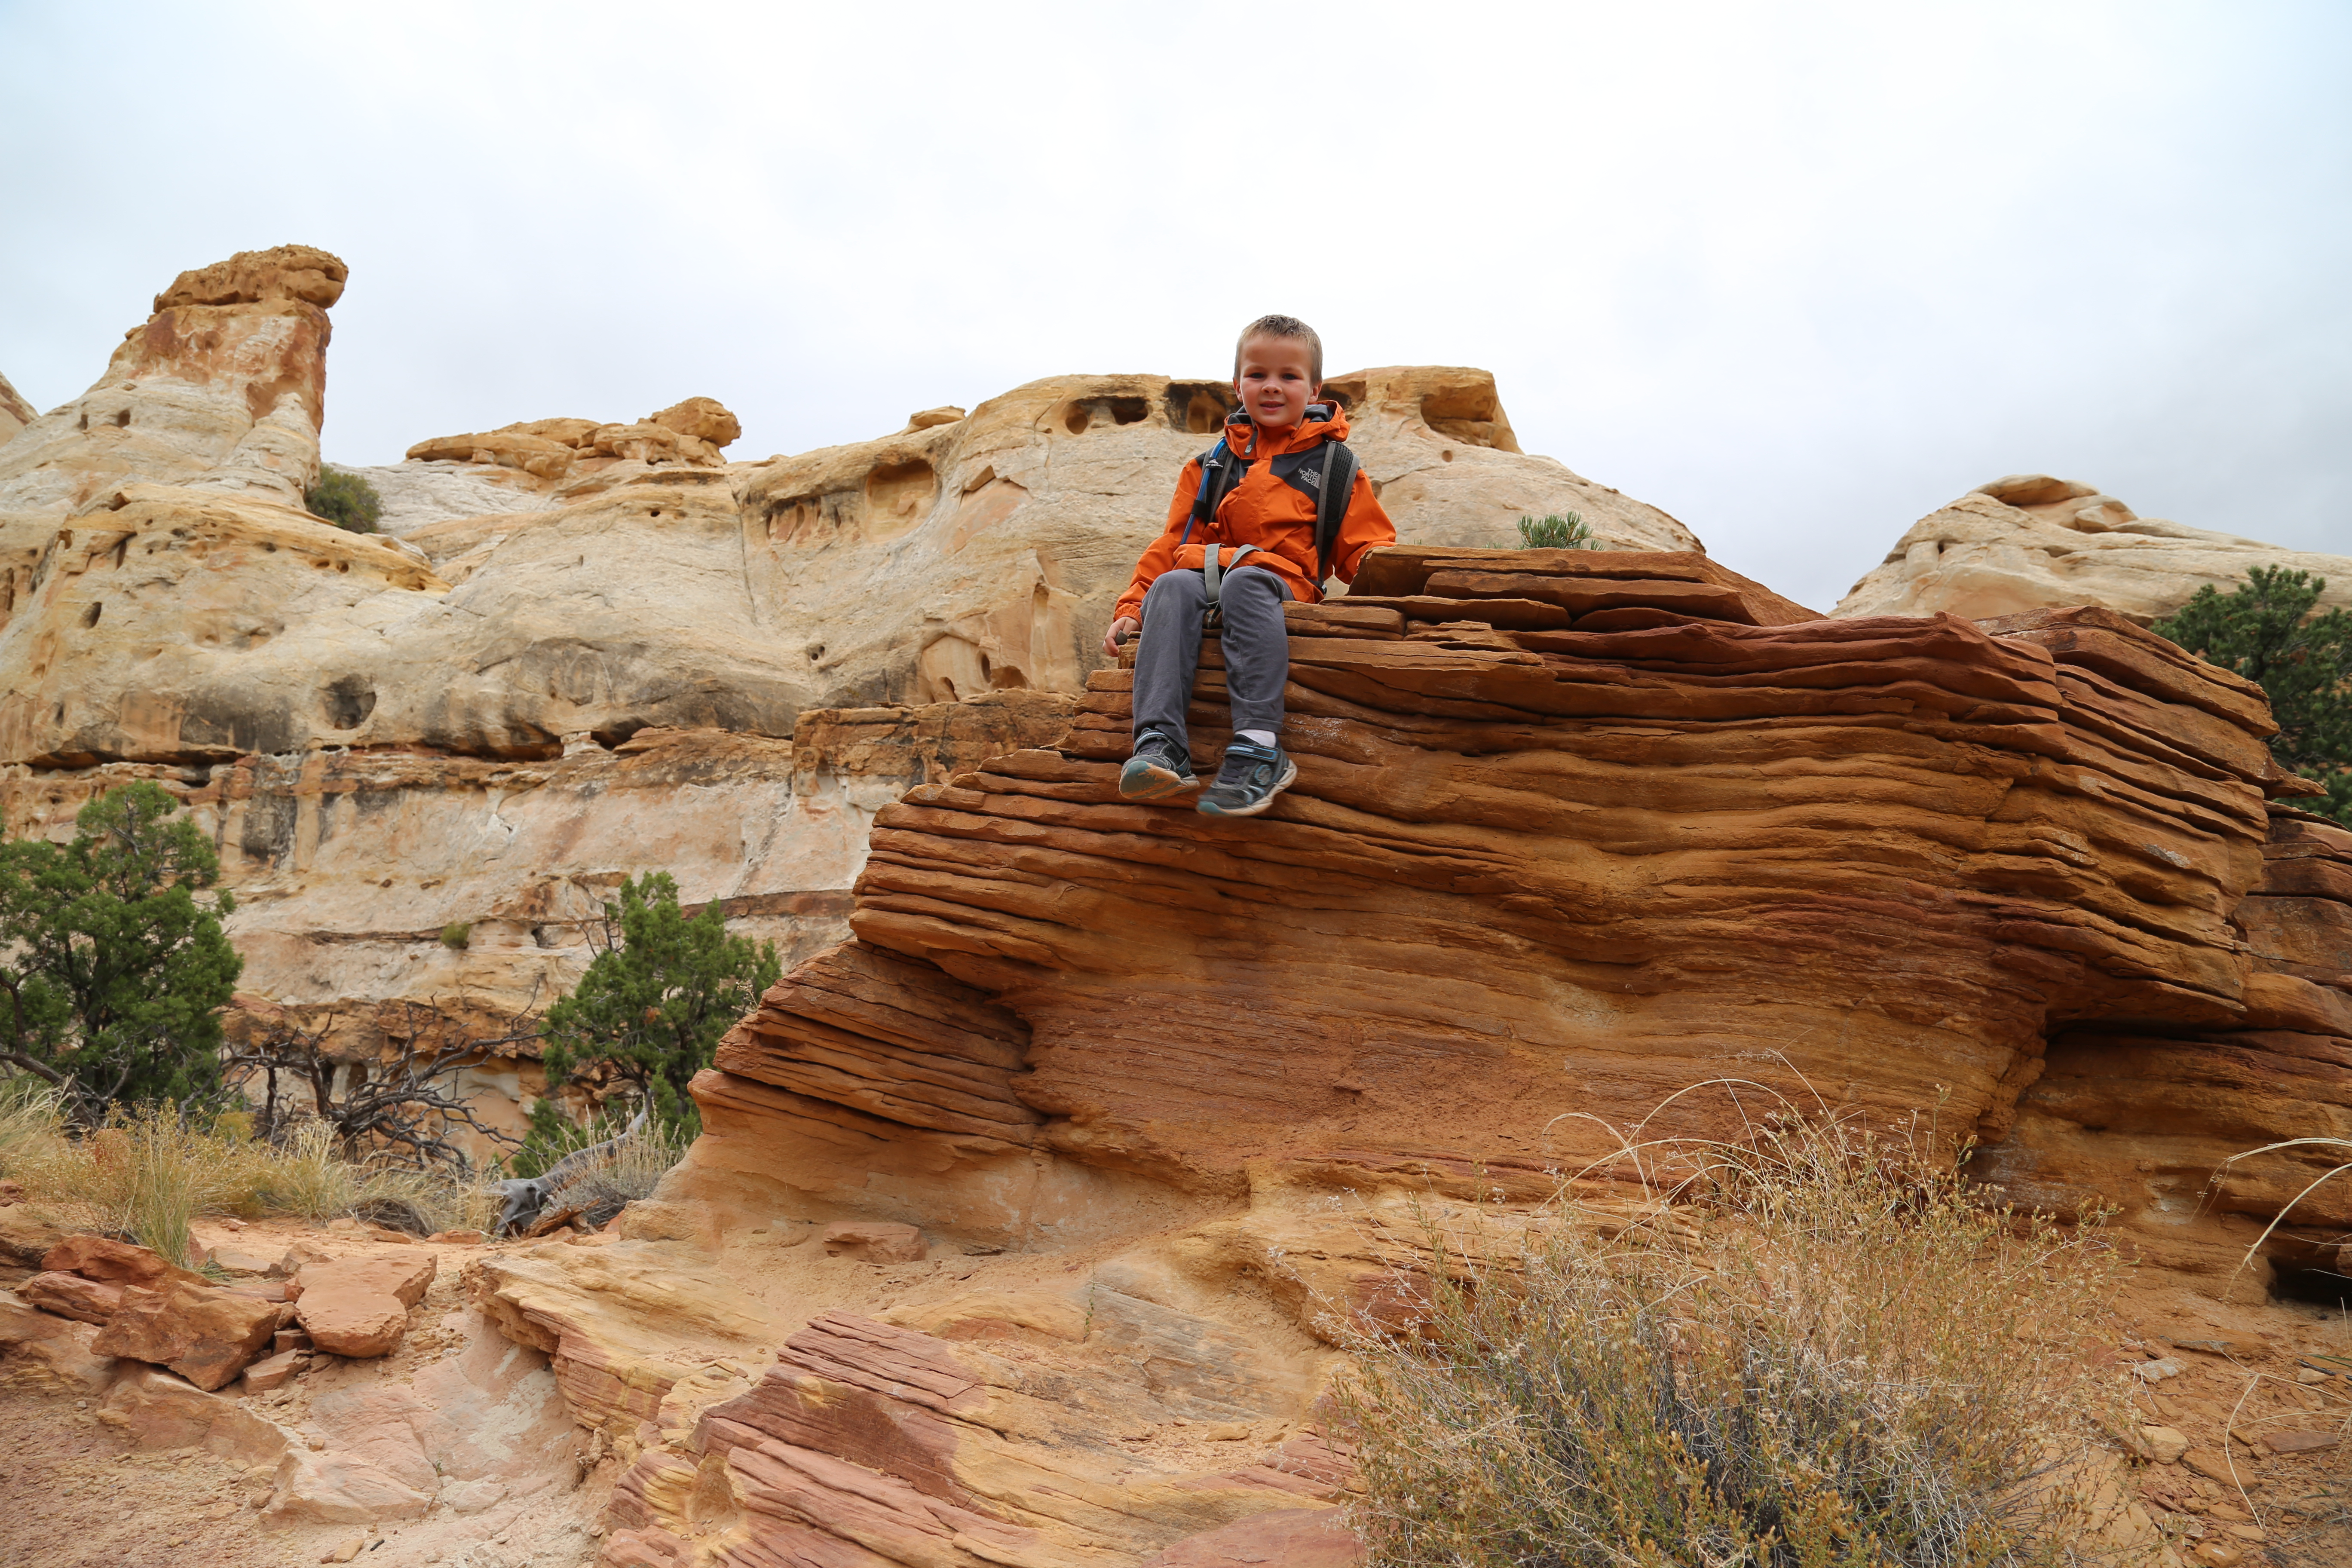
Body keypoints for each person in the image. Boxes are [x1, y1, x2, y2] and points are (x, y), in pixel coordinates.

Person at [1102, 314, 1396, 817]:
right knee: (1171, 586)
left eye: (1289, 376)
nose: (1272, 387)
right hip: (1207, 578)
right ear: (1238, 385)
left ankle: (1260, 746)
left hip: (1280, 587)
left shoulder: (1334, 466)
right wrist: (1133, 604)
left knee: (1246, 582)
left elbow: (1366, 548)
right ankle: (1160, 745)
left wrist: (1399, 591)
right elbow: (1175, 541)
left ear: (1315, 388)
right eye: (1258, 375)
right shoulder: (1210, 465)